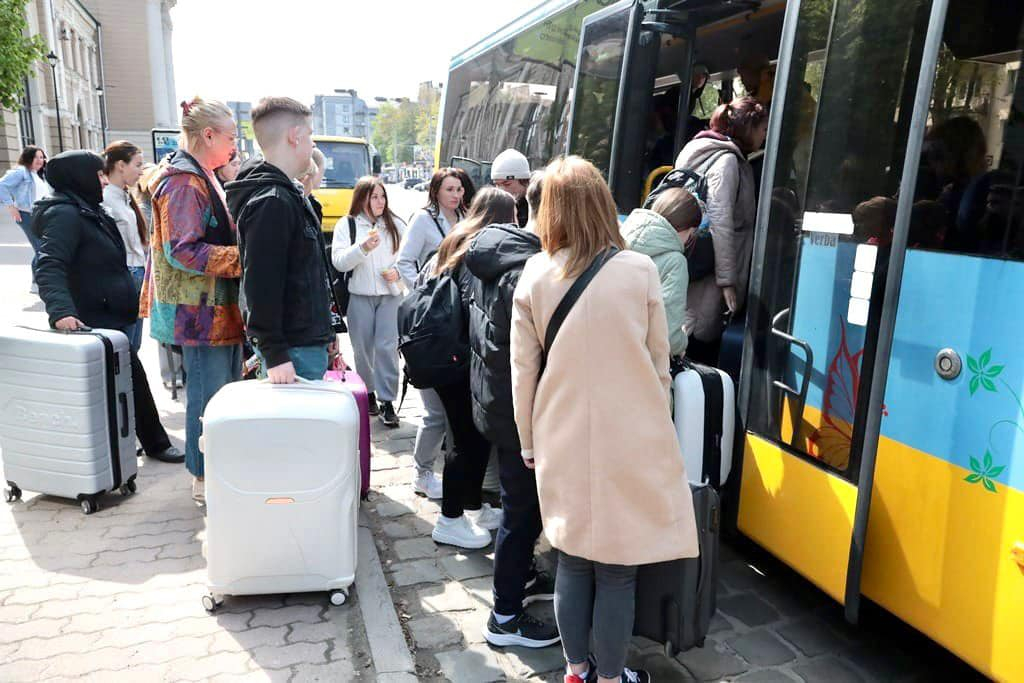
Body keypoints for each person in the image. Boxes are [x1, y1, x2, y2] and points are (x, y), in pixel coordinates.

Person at [511, 156, 699, 683]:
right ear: (601, 202)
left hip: (559, 434)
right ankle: (613, 678)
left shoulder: (535, 274)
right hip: (630, 438)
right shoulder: (638, 270)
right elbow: (660, 364)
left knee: (571, 561)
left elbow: (522, 372)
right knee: (618, 572)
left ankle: (576, 671)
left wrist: (528, 441)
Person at [33, 150, 184, 465]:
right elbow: (49, 265)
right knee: (129, 381)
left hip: (109, 313)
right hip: (91, 319)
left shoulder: (87, 208)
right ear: (79, 177)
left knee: (127, 382)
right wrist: (61, 312)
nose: (103, 180)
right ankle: (151, 444)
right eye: (98, 174)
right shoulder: (65, 215)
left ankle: (139, 443)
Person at [465, 172, 558, 647]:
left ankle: (519, 580)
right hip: (518, 413)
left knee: (519, 510)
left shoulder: (498, 251)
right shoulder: (527, 270)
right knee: (520, 515)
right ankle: (505, 618)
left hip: (496, 402)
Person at [142, 96, 243, 503]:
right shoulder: (184, 182)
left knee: (221, 394)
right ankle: (203, 477)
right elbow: (182, 250)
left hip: (211, 308)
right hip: (198, 313)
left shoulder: (201, 174)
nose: (235, 145)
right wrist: (244, 257)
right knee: (208, 397)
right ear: (209, 135)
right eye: (231, 136)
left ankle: (218, 471)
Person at [429, 187, 516, 550]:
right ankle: (449, 519)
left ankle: (472, 506)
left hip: (446, 354)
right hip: (459, 359)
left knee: (470, 436)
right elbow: (473, 307)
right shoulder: (477, 250)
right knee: (465, 440)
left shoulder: (458, 238)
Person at [226, 97, 333, 384]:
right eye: (310, 134)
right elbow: (261, 286)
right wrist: (275, 354)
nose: (313, 144)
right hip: (293, 352)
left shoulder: (284, 196)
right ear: (294, 136)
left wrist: (326, 331)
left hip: (302, 345)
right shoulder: (272, 202)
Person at [674, 96, 767, 365]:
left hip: (697, 261)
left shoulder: (700, 150)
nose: (764, 136)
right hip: (713, 272)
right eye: (762, 129)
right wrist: (728, 281)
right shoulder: (727, 162)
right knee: (699, 337)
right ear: (748, 128)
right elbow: (720, 219)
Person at [397, 167, 465, 500]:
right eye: (450, 189)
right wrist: (425, 296)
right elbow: (403, 262)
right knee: (434, 411)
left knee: (452, 412)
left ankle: (442, 469)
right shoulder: (424, 220)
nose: (456, 195)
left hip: (456, 322)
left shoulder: (464, 218)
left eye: (460, 189)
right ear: (436, 190)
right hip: (429, 323)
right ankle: (421, 472)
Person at [332, 176, 405, 426]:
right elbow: (339, 262)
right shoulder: (348, 224)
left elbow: (409, 257)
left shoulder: (396, 224)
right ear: (362, 198)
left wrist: (397, 272)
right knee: (362, 349)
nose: (380, 201)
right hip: (359, 295)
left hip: (390, 295)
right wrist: (362, 248)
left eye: (382, 196)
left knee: (387, 347)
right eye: (374, 197)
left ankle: (387, 401)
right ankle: (369, 392)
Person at [622, 187, 703, 358]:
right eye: (691, 234)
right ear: (685, 229)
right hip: (637, 359)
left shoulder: (619, 237)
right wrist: (681, 342)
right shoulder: (675, 262)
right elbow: (667, 336)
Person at [102, 141, 150, 353]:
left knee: (133, 346)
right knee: (125, 348)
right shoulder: (105, 200)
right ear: (120, 165)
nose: (141, 171)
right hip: (124, 275)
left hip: (136, 273)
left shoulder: (124, 197)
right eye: (137, 165)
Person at [1, 145, 49, 291]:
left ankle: (37, 282)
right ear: (28, 158)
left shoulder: (38, 174)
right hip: (27, 215)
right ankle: (37, 283)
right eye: (36, 157)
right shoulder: (22, 172)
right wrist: (11, 206)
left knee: (43, 247)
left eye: (41, 157)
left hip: (39, 215)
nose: (39, 160)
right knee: (41, 248)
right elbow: (2, 186)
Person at [491, 149, 531, 228]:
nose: (502, 190)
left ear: (524, 181)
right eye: (497, 185)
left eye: (507, 184)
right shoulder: (493, 208)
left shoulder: (538, 208)